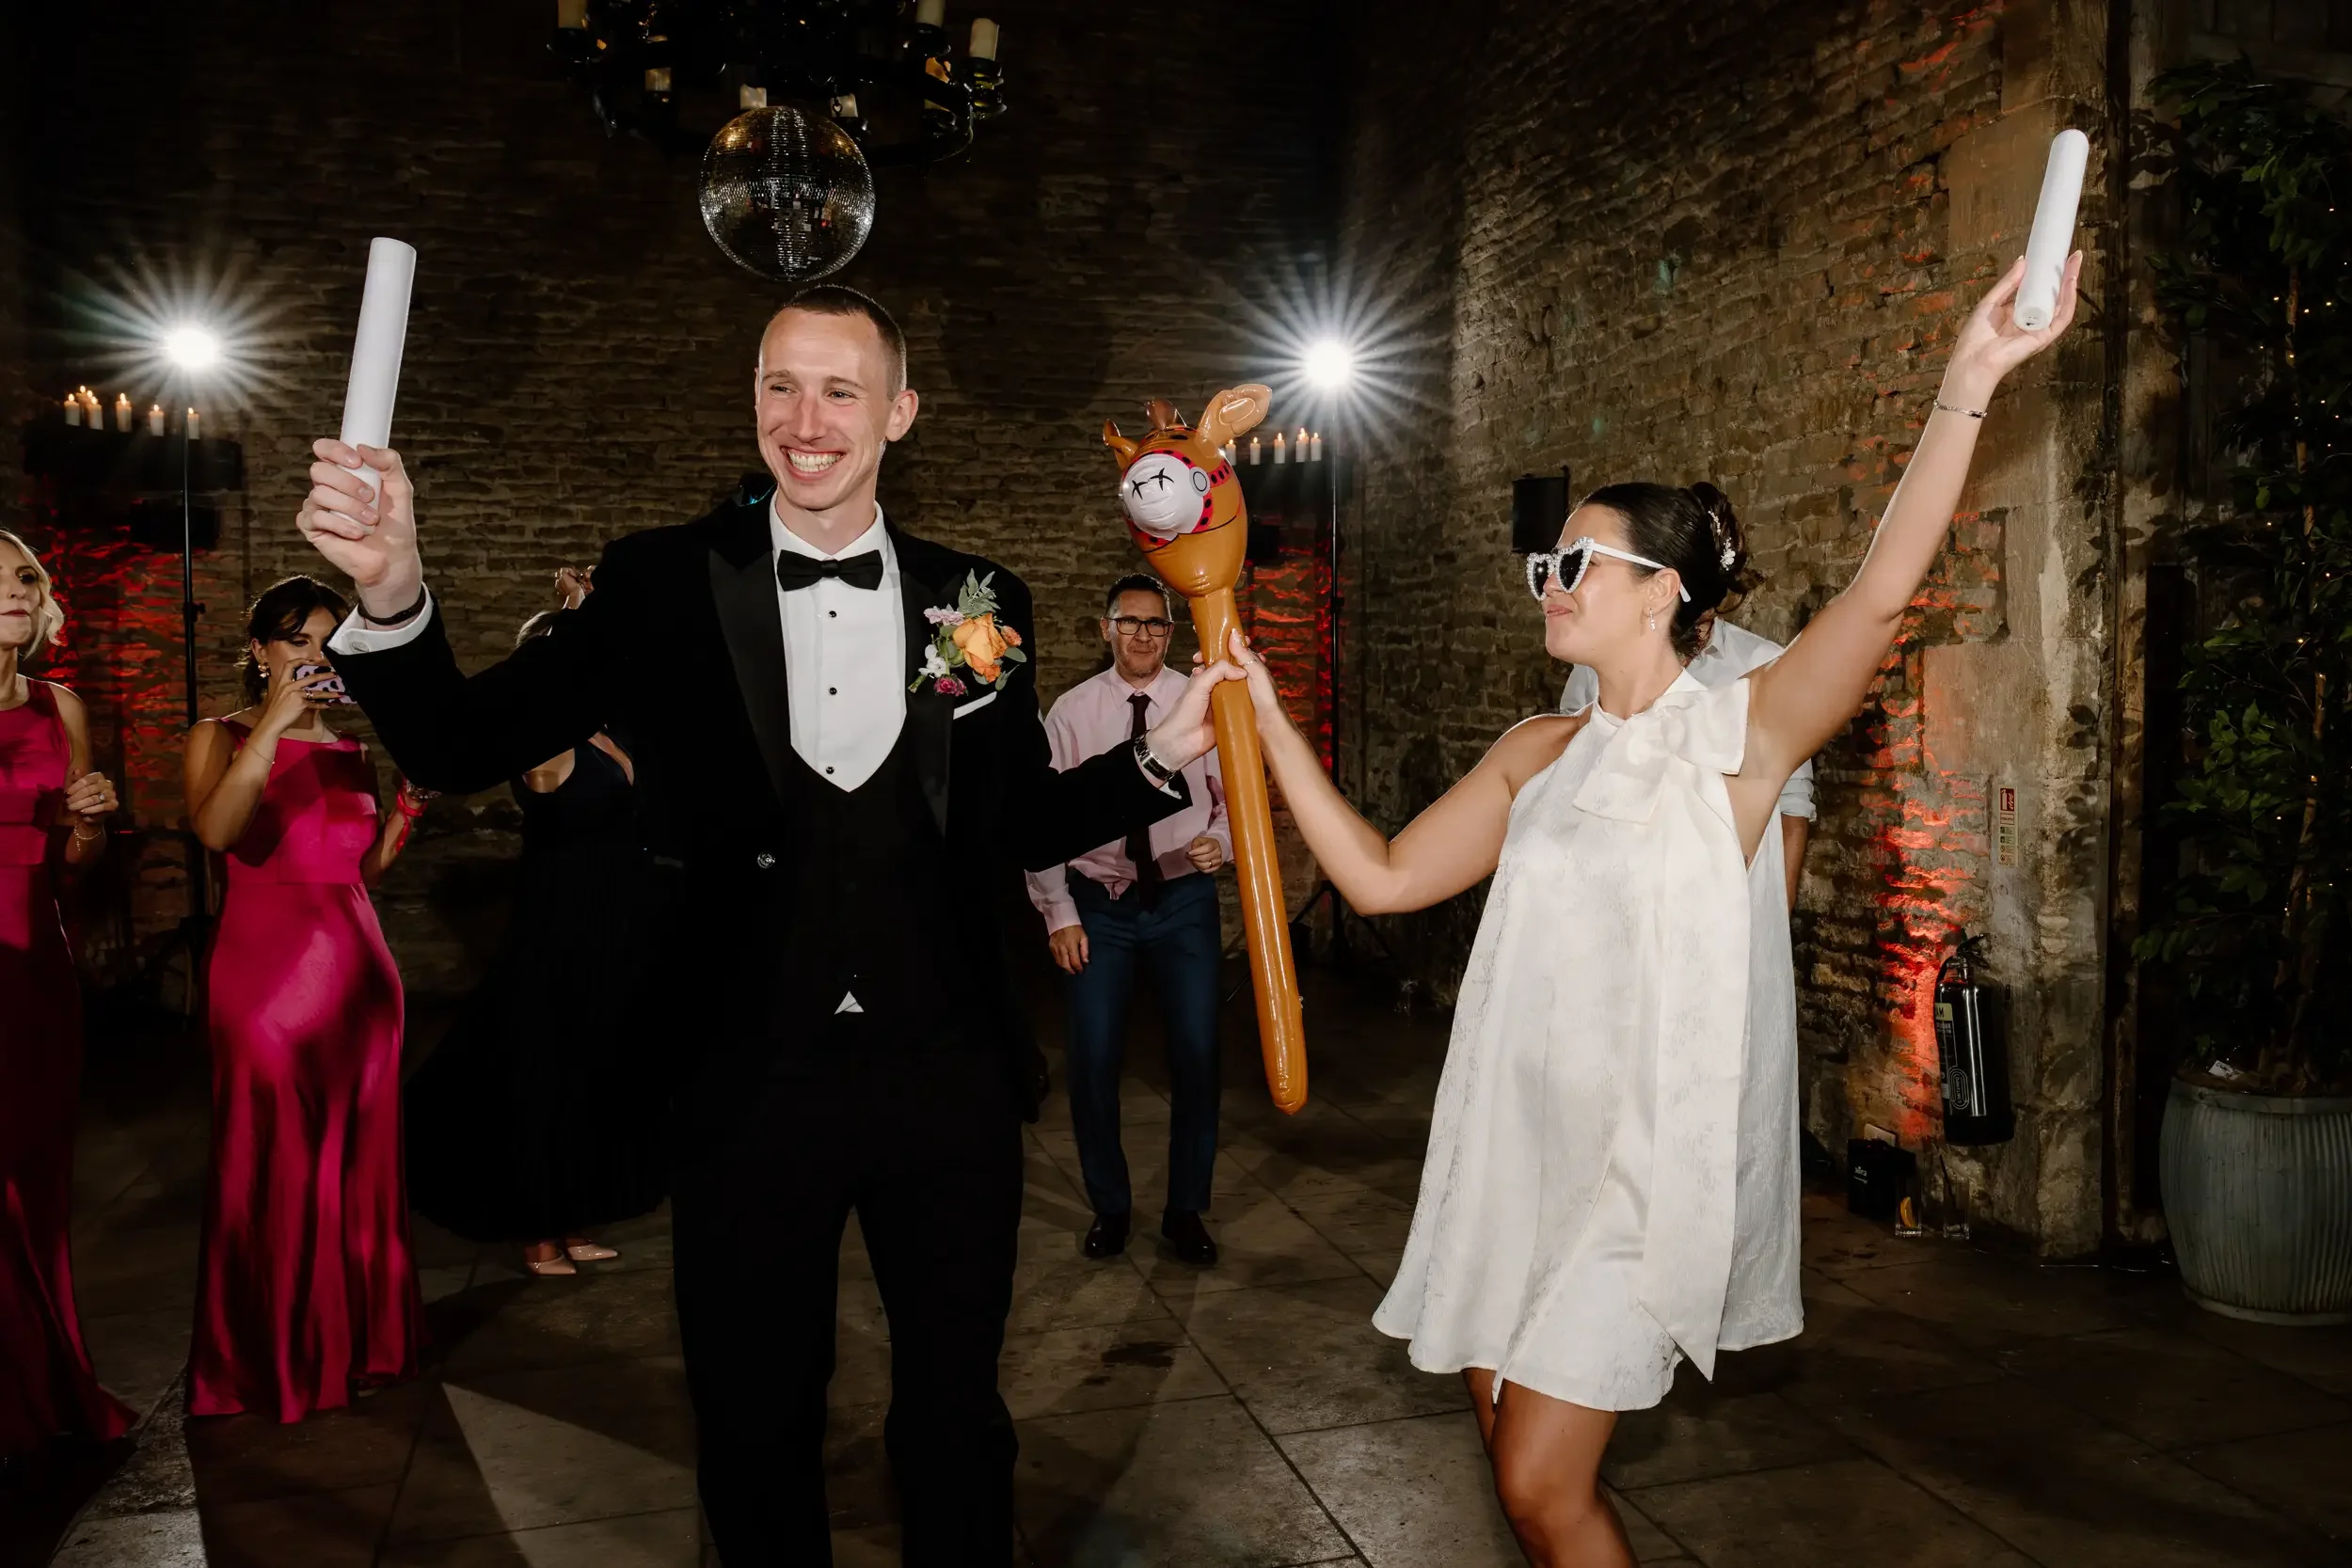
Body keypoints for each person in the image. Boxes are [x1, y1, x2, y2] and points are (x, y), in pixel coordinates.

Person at [294, 284, 1226, 1567]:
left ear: (899, 409)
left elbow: (1009, 815)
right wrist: (394, 585)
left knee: (956, 1413)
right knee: (751, 1420)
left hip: (945, 1075)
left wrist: (1158, 764)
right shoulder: (661, 581)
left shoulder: (974, 595)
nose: (807, 416)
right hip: (740, 1080)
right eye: (781, 383)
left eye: (841, 387)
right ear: (751, 397)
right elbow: (459, 740)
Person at [1203, 255, 2079, 1566]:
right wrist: (1267, 716)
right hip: (1514, 1150)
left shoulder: (1740, 741)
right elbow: (1381, 874)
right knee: (1517, 1480)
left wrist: (1969, 379)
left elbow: (1882, 593)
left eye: (1579, 561)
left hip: (1633, 1175)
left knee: (1549, 1486)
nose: (1549, 578)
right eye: (1545, 561)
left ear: (1665, 587)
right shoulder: (1535, 750)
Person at [183, 576, 429, 1423]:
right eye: (296, 638)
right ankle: (277, 1356)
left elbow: (356, 875)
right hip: (265, 986)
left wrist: (406, 809)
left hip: (362, 983)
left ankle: (355, 1343)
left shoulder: (352, 749)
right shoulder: (218, 735)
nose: (315, 654)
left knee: (355, 1169)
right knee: (277, 1166)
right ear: (260, 652)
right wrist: (277, 728)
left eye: (329, 638)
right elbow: (217, 833)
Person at [403, 566, 665, 1277]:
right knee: (546, 1073)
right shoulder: (542, 743)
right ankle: (536, 1231)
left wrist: (597, 615)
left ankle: (574, 1217)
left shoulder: (614, 734)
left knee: (597, 1071)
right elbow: (530, 690)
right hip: (563, 921)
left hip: (623, 917)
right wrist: (571, 623)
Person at [1025, 574, 1232, 1266]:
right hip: (1099, 904)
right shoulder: (1072, 712)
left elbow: (1237, 797)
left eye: (1157, 625)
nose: (1144, 635)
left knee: (1199, 1056)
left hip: (1182, 899)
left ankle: (1185, 1209)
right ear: (1105, 628)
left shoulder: (1200, 701)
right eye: (1130, 622)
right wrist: (1058, 911)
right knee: (1091, 1061)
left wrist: (1222, 843)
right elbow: (1041, 822)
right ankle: (1110, 1206)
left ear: (1173, 633)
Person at [0, 531, 135, 1462]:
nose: (14, 588)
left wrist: (91, 822)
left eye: (21, 574)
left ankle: (41, 1388)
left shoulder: (62, 705)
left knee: (36, 1187)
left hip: (37, 973)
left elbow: (75, 866)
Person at [1560, 610, 1815, 909]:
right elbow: (1568, 768)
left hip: (1718, 891)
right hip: (1611, 879)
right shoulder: (1601, 659)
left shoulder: (1762, 661)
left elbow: (1793, 805)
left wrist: (1777, 910)